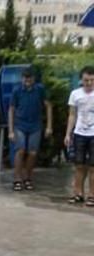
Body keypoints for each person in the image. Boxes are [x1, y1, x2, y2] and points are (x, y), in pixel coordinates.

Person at [8, 68, 53, 191]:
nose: (27, 80)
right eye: (25, 77)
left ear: (33, 78)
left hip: (35, 125)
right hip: (20, 124)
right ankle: (17, 179)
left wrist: (49, 126)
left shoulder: (39, 90)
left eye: (30, 77)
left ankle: (27, 178)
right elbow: (11, 109)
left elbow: (48, 106)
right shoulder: (17, 90)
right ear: (22, 78)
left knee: (33, 152)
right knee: (20, 150)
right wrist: (11, 130)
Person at [65, 66, 94, 206]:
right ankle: (78, 193)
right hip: (79, 133)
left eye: (92, 80)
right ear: (81, 80)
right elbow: (72, 114)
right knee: (79, 165)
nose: (88, 83)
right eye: (86, 80)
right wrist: (68, 133)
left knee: (93, 167)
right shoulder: (75, 94)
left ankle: (92, 195)